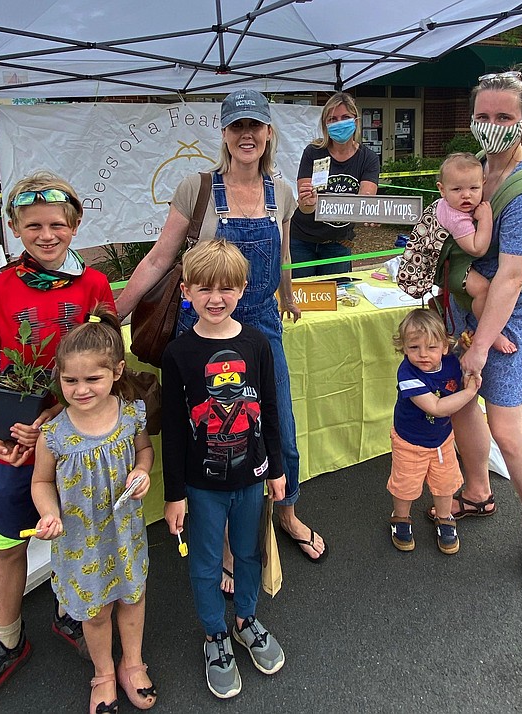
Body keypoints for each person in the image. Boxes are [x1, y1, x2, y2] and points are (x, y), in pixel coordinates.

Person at [115, 89, 327, 576]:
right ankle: (224, 538)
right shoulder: (198, 188)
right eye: (237, 127)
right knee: (214, 438)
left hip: (261, 325)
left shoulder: (283, 194)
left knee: (281, 434)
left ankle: (288, 514)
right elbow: (159, 258)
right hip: (203, 331)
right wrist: (114, 315)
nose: (246, 135)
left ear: (269, 133)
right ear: (225, 134)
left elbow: (284, 255)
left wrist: (288, 296)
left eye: (255, 126)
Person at [0, 173, 115, 714]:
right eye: (34, 226)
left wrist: (52, 416)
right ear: (15, 227)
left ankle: (71, 608)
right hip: (13, 441)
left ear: (75, 226)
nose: (47, 235)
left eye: (57, 225)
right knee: (10, 536)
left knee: (74, 524)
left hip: (74, 435)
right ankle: (7, 638)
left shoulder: (93, 286)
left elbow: (106, 368)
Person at [430, 69, 522, 595]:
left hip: (508, 313)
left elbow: (510, 275)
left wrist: (481, 347)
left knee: (508, 428)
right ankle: (479, 491)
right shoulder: (476, 170)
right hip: (466, 306)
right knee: (463, 404)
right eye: (483, 116)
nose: (492, 125)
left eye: (504, 116)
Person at [161, 240, 286, 699]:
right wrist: (173, 494)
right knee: (207, 561)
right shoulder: (178, 354)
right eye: (204, 288)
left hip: (252, 478)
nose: (216, 298)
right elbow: (173, 429)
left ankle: (246, 619)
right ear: (186, 290)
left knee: (249, 555)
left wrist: (275, 469)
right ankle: (215, 634)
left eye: (227, 288)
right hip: (202, 486)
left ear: (243, 288)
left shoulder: (256, 343)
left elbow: (269, 409)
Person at [31, 306, 156, 713]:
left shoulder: (130, 416)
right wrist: (48, 513)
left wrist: (142, 471)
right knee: (96, 609)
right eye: (70, 380)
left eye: (92, 379)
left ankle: (132, 662)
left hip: (125, 534)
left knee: (132, 597)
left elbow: (144, 452)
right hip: (80, 543)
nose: (80, 389)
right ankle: (103, 672)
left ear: (117, 372)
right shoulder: (53, 434)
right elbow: (41, 482)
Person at [388, 309, 480, 555]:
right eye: (414, 347)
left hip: (441, 440)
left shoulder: (450, 361)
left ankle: (445, 516)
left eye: (431, 347)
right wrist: (469, 393)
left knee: (445, 483)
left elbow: (463, 361)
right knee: (405, 484)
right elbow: (436, 408)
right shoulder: (407, 374)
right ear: (404, 348)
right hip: (410, 442)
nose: (423, 355)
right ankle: (401, 517)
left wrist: (465, 345)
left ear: (444, 347)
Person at [291, 92, 380, 277]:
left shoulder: (368, 158)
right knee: (303, 297)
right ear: (325, 124)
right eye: (333, 119)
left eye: (345, 118)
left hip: (338, 243)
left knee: (337, 298)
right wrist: (309, 201)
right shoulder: (313, 152)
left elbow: (366, 198)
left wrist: (372, 211)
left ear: (356, 121)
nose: (339, 123)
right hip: (302, 239)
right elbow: (305, 207)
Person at [435, 152, 516, 354]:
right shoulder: (456, 218)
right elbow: (477, 248)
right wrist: (486, 218)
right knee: (483, 290)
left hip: (450, 267)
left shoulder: (445, 205)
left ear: (484, 184)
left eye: (474, 188)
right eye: (457, 189)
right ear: (442, 190)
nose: (466, 195)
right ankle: (491, 333)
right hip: (454, 271)